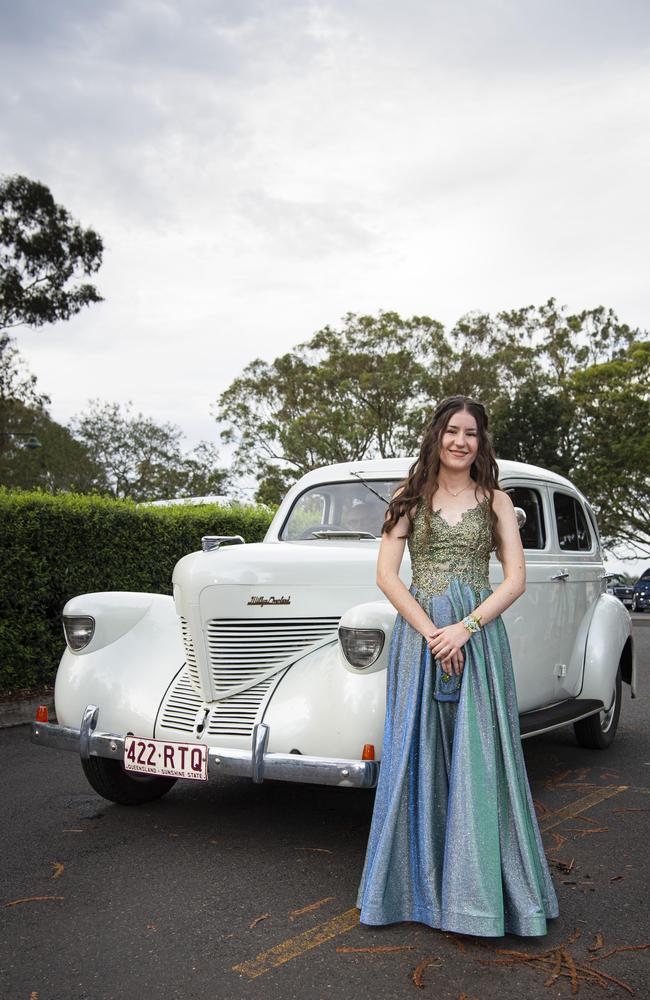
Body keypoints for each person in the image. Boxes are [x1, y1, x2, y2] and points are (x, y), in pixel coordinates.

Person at [356, 395, 558, 937]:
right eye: (451, 430)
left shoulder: (495, 500)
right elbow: (387, 576)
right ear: (436, 436)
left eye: (470, 432)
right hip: (420, 642)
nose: (460, 441)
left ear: (481, 441)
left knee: (478, 759)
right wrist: (432, 633)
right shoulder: (408, 499)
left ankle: (481, 899)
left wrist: (465, 628)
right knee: (416, 757)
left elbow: (515, 578)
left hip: (478, 642)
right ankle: (413, 893)